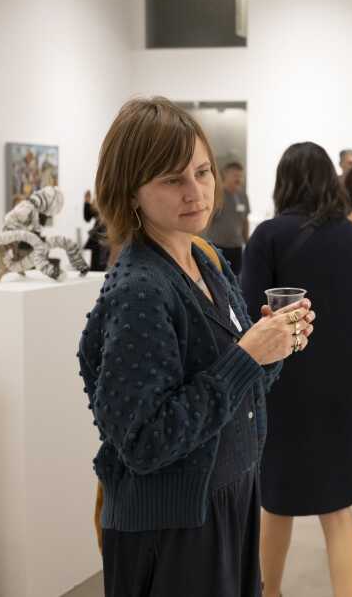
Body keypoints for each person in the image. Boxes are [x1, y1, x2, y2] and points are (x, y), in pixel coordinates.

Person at [77, 97, 315, 596]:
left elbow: (238, 384)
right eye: (171, 180)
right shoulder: (140, 288)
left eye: (202, 172)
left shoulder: (204, 258)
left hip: (230, 499)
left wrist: (273, 347)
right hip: (174, 526)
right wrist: (248, 355)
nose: (196, 192)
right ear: (131, 191)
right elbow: (144, 442)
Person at [241, 142, 352, 597]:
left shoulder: (268, 236)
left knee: (276, 505)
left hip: (282, 390)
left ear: (283, 181)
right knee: (338, 509)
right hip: (345, 391)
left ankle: (270, 593)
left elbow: (249, 313)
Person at [205, 161, 251, 275]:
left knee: (236, 279)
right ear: (225, 175)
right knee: (218, 279)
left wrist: (248, 243)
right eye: (235, 176)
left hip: (237, 247)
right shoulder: (217, 195)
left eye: (241, 176)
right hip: (218, 247)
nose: (239, 179)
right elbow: (207, 219)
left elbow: (245, 220)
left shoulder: (242, 195)